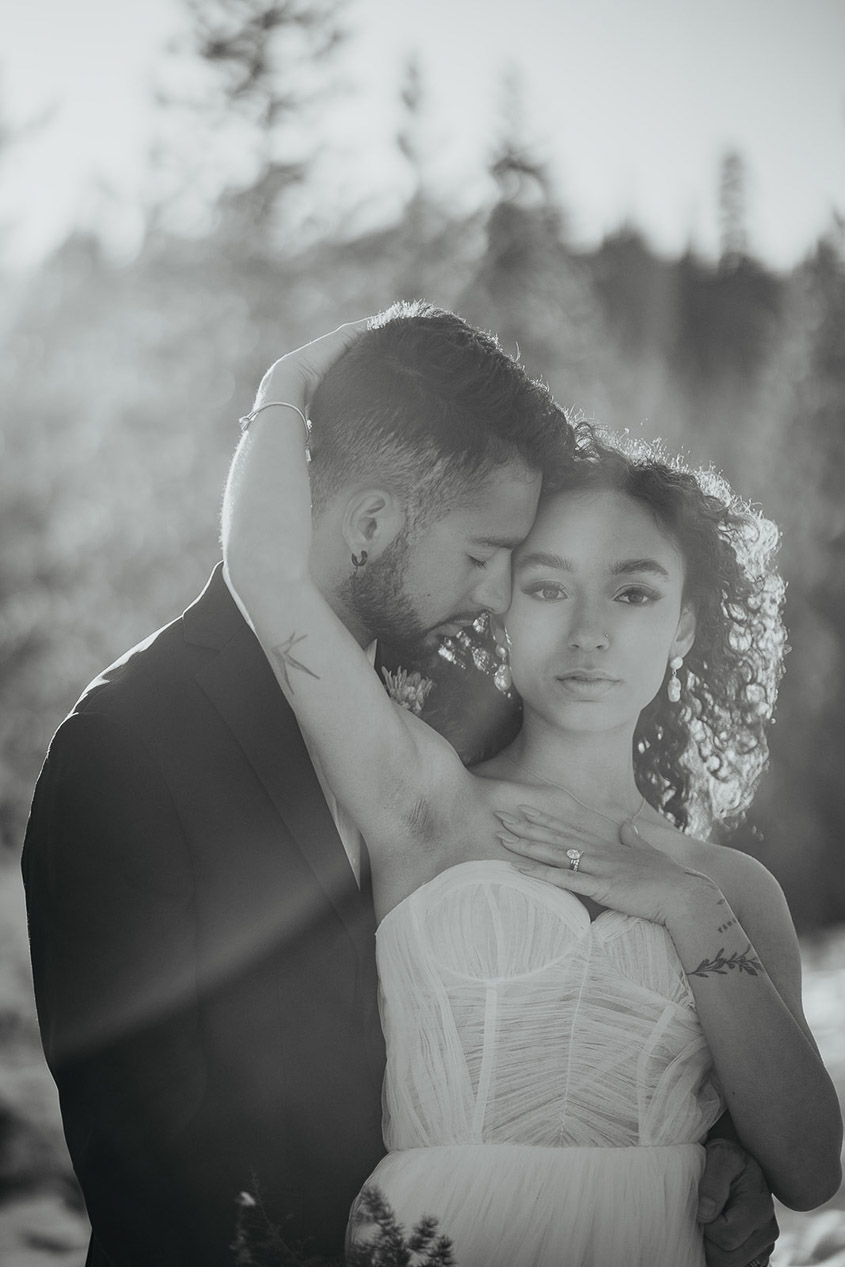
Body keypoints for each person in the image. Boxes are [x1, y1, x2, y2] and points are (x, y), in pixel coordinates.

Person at [223, 320, 843, 1267]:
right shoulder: (421, 797)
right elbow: (263, 571)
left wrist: (682, 904)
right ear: (503, 605)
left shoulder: (728, 890)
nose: (589, 631)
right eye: (548, 588)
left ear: (682, 626)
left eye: (631, 594)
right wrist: (288, 380)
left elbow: (808, 1170)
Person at [20, 303, 572, 1265]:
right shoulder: (125, 745)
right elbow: (148, 1163)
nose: (495, 593)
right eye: (481, 555)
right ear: (370, 524)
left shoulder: (458, 711)